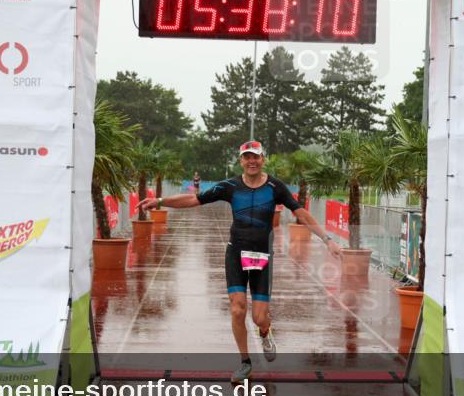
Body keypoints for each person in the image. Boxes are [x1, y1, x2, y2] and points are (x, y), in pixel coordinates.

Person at [139, 140, 342, 383]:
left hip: (261, 257)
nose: (252, 161)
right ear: (241, 161)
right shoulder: (230, 186)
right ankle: (245, 363)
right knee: (237, 309)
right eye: (247, 157)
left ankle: (265, 331)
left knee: (258, 317)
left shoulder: (276, 187)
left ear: (262, 159)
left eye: (255, 156)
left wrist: (327, 239)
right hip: (236, 253)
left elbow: (300, 212)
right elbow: (194, 200)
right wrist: (160, 202)